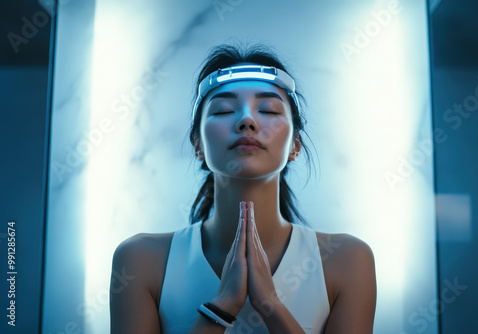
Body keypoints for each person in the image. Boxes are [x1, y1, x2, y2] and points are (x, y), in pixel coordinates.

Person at [110, 43, 377, 334]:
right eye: (224, 110)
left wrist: (270, 305)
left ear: (295, 147)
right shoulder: (140, 260)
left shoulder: (347, 260)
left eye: (268, 110)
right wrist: (222, 306)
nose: (247, 121)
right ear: (198, 145)